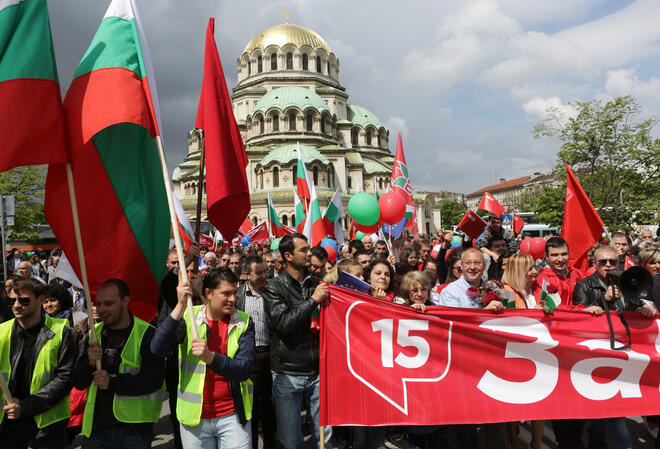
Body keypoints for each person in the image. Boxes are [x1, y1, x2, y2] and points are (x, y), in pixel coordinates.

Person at [151, 268, 255, 448]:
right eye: (226, 293)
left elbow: (243, 369)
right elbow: (157, 348)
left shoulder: (244, 322)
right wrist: (180, 306)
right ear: (208, 293)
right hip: (194, 419)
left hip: (233, 416)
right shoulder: (188, 317)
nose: (232, 299)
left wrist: (211, 357)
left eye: (234, 293)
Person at [72, 279, 165, 448]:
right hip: (96, 428)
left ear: (125, 301)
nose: (101, 310)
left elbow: (154, 380)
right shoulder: (94, 334)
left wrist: (112, 382)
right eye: (98, 304)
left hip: (134, 430)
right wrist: (88, 363)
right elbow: (78, 382)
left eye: (108, 304)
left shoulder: (147, 334)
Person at [262, 233, 332, 449]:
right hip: (287, 374)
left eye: (308, 248)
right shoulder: (273, 287)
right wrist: (313, 300)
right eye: (303, 250)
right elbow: (283, 324)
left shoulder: (318, 283)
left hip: (318, 372)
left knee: (323, 438)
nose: (309, 253)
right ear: (288, 256)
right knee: (291, 441)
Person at [433, 248, 507, 448]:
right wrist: (485, 312)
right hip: (463, 363)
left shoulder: (494, 288)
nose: (472, 268)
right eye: (468, 264)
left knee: (493, 421)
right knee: (466, 422)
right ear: (461, 267)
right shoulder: (450, 292)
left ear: (484, 266)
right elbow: (454, 326)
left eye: (477, 263)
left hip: (491, 362)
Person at [0, 278, 75, 449]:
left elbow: (65, 378)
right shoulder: (1, 331)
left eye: (24, 300)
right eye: (12, 301)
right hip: (7, 426)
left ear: (41, 300)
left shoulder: (61, 331)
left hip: (46, 427)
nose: (16, 305)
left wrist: (25, 407)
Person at [499, 253, 544, 449]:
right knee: (514, 407)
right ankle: (515, 443)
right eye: (529, 269)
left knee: (540, 405)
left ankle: (536, 444)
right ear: (518, 271)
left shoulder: (536, 290)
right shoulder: (506, 293)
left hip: (540, 357)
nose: (534, 272)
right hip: (514, 359)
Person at [236, 256, 276, 449]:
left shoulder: (274, 292)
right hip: (248, 359)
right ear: (247, 275)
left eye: (265, 272)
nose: (263, 276)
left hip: (271, 357)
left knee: (270, 407)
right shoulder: (237, 296)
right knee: (249, 407)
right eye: (258, 273)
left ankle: (270, 442)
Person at [533, 237, 584, 307]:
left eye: (564, 254)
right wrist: (579, 309)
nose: (560, 259)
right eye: (555, 255)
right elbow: (546, 308)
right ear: (546, 256)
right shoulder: (542, 280)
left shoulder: (578, 274)